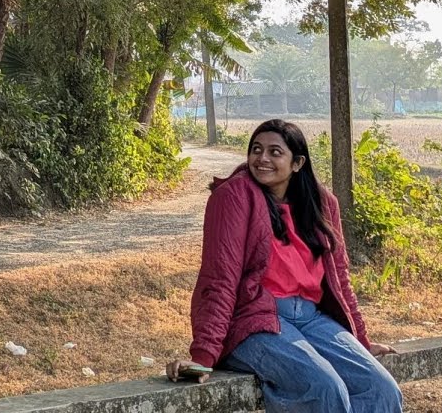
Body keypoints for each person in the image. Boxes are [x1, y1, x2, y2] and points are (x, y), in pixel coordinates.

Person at [166, 119, 403, 413]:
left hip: (312, 319)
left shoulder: (322, 203)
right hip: (255, 320)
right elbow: (220, 279)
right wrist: (203, 355)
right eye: (256, 149)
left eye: (275, 152)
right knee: (323, 387)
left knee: (380, 387)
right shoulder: (233, 197)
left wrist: (360, 341)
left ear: (297, 163)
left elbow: (340, 279)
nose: (262, 158)